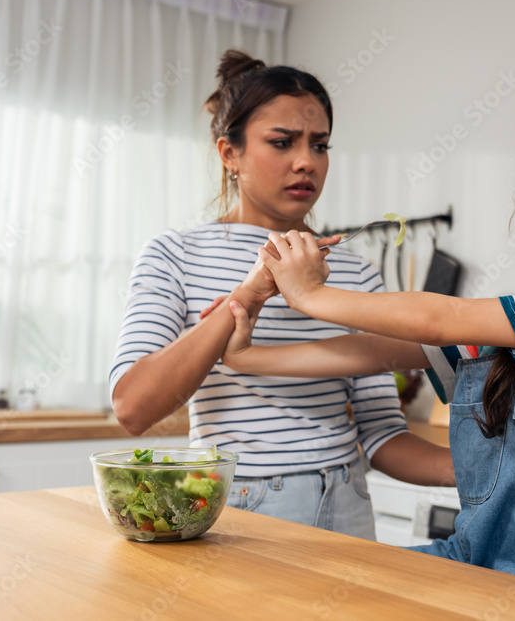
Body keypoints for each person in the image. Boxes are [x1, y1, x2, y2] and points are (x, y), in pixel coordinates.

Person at [215, 122, 515, 603]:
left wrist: (310, 294)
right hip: (480, 559)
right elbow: (372, 353)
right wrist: (250, 358)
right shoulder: (504, 329)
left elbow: (441, 318)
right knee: (335, 582)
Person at [109, 50, 453, 541]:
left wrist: (486, 471)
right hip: (239, 508)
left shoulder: (356, 271)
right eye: (282, 142)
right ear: (230, 154)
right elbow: (133, 406)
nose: (305, 161)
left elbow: (381, 435)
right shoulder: (175, 254)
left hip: (347, 503)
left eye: (320, 145)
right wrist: (250, 294)